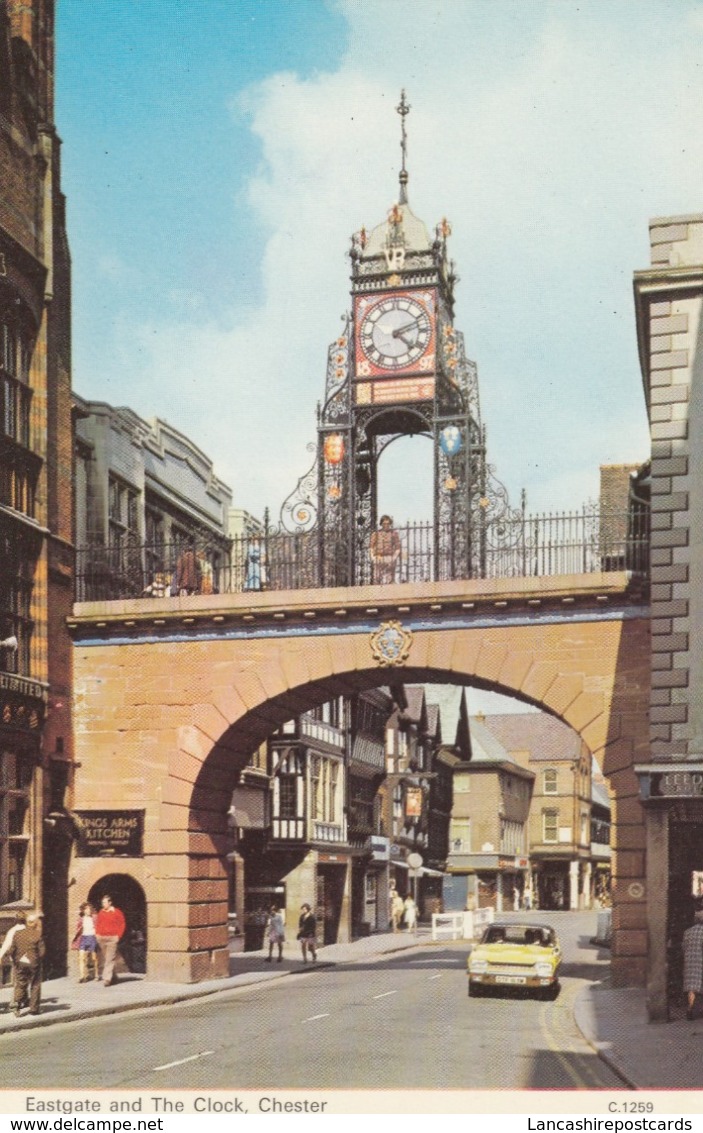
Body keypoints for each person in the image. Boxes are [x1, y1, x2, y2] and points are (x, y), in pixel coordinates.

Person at [0, 912, 45, 1016]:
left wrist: (13, 958)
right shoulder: (37, 934)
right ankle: (34, 1009)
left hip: (20, 962)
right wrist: (36, 959)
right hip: (33, 963)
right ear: (34, 923)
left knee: (20, 984)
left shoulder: (16, 933)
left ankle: (16, 1004)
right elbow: (42, 951)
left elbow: (11, 949)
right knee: (35, 984)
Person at [95, 894, 126, 987]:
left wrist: (118, 936)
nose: (103, 904)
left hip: (112, 938)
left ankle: (107, 979)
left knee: (109, 958)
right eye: (102, 902)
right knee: (107, 958)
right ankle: (114, 976)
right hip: (102, 938)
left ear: (110, 902)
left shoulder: (117, 912)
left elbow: (122, 924)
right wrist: (97, 934)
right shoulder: (101, 912)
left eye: (104, 902)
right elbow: (98, 924)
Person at [682, 907, 703, 1020]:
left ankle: (690, 1009)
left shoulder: (687, 932)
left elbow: (683, 947)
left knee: (691, 988)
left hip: (690, 962)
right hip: (701, 962)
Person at [369, 515, 401, 584]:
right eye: (384, 523)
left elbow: (398, 547)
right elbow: (371, 546)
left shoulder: (394, 534)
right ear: (381, 524)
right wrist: (372, 557)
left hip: (389, 557)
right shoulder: (376, 534)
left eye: (388, 523)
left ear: (390, 524)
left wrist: (394, 558)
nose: (386, 525)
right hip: (378, 556)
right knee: (376, 577)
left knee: (389, 578)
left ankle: (389, 593)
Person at [74, 902, 99, 982]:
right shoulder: (81, 919)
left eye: (89, 909)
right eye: (86, 909)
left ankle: (96, 974)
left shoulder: (94, 917)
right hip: (83, 938)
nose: (88, 911)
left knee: (94, 958)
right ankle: (82, 976)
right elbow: (78, 929)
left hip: (92, 937)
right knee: (81, 957)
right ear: (84, 910)